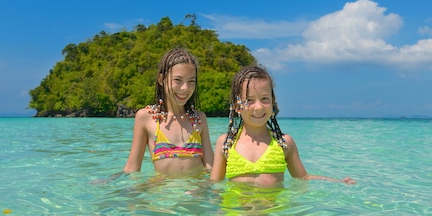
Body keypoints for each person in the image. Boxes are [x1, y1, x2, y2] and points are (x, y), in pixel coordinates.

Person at [210, 66, 355, 187]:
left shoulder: (284, 143)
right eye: (249, 100)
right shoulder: (226, 143)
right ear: (236, 106)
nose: (259, 107)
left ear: (273, 101)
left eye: (265, 99)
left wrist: (337, 182)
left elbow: (303, 177)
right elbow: (214, 183)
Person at [123, 48, 214, 176]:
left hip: (194, 192)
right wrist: (111, 183)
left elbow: (210, 168)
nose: (185, 88)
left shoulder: (199, 118)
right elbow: (132, 168)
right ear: (161, 80)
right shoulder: (146, 117)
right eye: (178, 80)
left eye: (191, 81)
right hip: (162, 193)